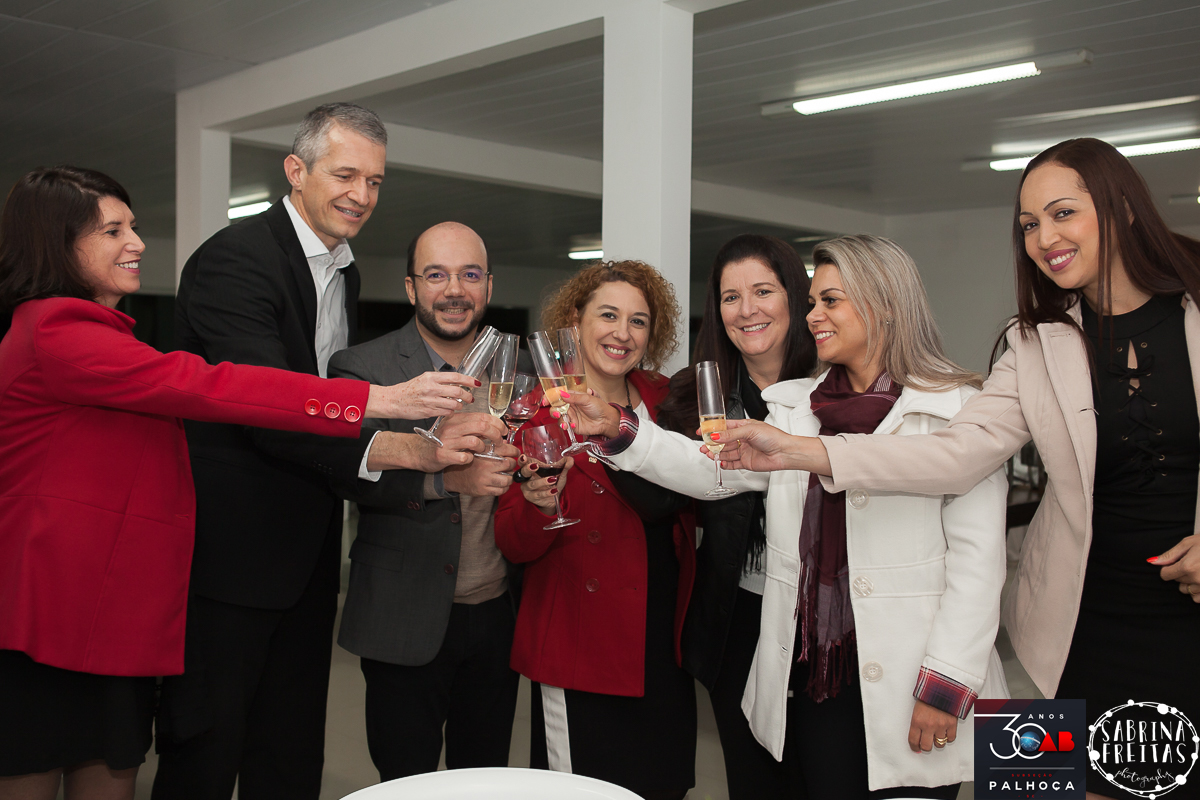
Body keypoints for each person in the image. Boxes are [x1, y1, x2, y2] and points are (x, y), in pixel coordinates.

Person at [716, 140, 1200, 800]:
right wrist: (807, 451)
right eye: (1028, 224)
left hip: (1183, 618)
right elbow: (957, 454)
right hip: (1077, 624)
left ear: (1123, 208)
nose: (1044, 239)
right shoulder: (1032, 341)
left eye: (1062, 213)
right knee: (1071, 787)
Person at [0, 166, 477, 800]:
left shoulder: (98, 334)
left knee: (112, 762)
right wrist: (375, 399)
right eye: (113, 231)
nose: (137, 242)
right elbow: (214, 384)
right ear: (56, 243)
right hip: (53, 608)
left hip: (110, 605)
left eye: (132, 226)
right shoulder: (55, 332)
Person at [566, 235, 1009, 798]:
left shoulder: (957, 408)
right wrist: (620, 428)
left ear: (884, 304)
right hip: (822, 674)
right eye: (813, 301)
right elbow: (711, 467)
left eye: (830, 301)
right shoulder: (797, 408)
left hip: (916, 678)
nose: (813, 316)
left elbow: (978, 566)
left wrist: (946, 685)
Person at [154, 103, 508, 800]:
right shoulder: (236, 259)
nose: (361, 194)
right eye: (345, 175)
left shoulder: (343, 272)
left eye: (374, 181)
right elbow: (267, 410)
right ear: (296, 170)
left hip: (308, 552)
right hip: (232, 556)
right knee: (205, 753)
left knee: (288, 757)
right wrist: (411, 439)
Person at [327, 221, 528, 781]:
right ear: (411, 287)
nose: (454, 290)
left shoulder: (519, 374)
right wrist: (443, 482)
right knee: (405, 781)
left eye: (470, 275)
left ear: (488, 285)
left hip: (498, 615)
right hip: (401, 611)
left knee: (484, 779)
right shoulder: (361, 369)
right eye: (436, 275)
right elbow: (348, 475)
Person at [494, 261, 697, 800]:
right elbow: (511, 540)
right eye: (608, 315)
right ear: (575, 321)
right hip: (580, 642)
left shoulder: (668, 401)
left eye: (638, 321)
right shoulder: (532, 412)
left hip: (661, 640)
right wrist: (539, 506)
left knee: (663, 785)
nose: (622, 333)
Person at [647, 234, 817, 799]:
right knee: (753, 782)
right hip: (737, 614)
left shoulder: (836, 385)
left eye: (763, 291)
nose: (747, 310)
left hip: (822, 616)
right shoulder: (693, 395)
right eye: (730, 297)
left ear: (794, 296)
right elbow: (661, 494)